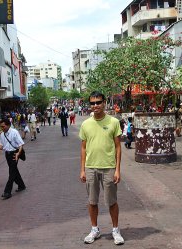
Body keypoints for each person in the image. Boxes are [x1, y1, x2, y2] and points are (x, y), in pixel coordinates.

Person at [79, 91, 124, 245]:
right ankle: (94, 229)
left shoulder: (113, 122)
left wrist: (118, 169)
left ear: (104, 103)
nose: (95, 105)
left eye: (98, 102)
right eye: (92, 103)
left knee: (112, 201)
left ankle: (116, 230)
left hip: (108, 167)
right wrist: (83, 169)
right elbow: (83, 148)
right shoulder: (85, 124)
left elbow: (118, 147)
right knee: (92, 201)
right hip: (91, 167)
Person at [0, 118, 26, 200]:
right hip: (7, 155)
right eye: (1, 127)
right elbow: (2, 146)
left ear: (8, 125)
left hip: (15, 154)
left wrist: (17, 153)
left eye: (3, 126)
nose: (2, 128)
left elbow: (21, 144)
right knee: (14, 170)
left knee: (11, 173)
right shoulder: (2, 135)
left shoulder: (14, 132)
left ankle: (7, 192)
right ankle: (21, 185)